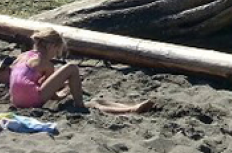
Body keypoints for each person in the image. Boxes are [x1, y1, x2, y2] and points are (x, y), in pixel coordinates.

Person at [9, 28, 152, 114]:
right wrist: (63, 94)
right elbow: (52, 95)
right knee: (72, 69)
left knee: (96, 100)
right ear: (51, 46)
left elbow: (21, 79)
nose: (55, 55)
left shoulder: (23, 56)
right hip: (31, 100)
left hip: (16, 101)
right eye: (57, 51)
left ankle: (130, 107)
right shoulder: (46, 64)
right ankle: (81, 104)